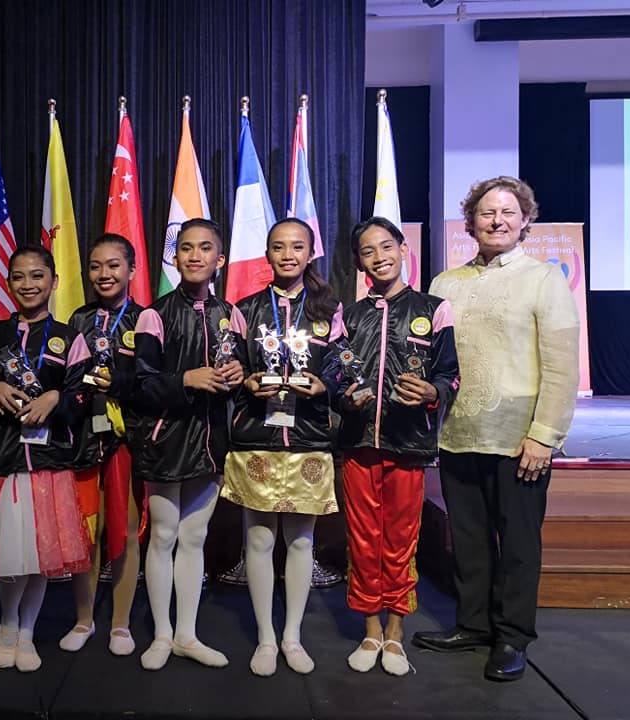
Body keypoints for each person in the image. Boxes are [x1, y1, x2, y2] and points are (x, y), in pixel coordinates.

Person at [412, 177, 580, 681]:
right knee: (468, 538)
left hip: (519, 438)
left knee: (519, 542)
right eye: (487, 212)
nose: (497, 220)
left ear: (525, 220)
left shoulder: (542, 279)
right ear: (471, 221)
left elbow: (562, 366)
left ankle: (512, 637)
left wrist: (544, 435)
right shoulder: (445, 284)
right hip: (459, 432)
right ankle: (473, 623)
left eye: (508, 212)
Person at [0, 245, 93, 672]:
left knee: (38, 557)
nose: (28, 284)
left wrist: (56, 396)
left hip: (49, 460)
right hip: (2, 459)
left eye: (37, 276)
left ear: (54, 282)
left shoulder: (70, 338)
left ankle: (29, 630)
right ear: (8, 283)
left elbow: (84, 393)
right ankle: (8, 625)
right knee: (10, 554)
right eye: (19, 276)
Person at [223, 218, 344, 677]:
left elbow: (341, 366)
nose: (288, 254)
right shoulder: (245, 309)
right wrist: (246, 381)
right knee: (257, 537)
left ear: (311, 252)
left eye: (297, 246)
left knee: (301, 541)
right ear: (268, 254)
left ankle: (292, 635)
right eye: (279, 247)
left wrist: (325, 384)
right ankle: (265, 638)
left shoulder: (329, 310)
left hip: (309, 437)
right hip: (258, 436)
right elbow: (229, 367)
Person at [339, 217, 460, 676]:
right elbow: (336, 374)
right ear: (358, 262)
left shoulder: (435, 308)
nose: (379, 257)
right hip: (357, 445)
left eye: (386, 246)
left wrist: (433, 392)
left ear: (403, 248)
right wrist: (343, 394)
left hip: (409, 444)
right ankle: (369, 628)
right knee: (364, 540)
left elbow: (450, 374)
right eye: (368, 251)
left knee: (399, 540)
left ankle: (395, 632)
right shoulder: (348, 316)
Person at [131, 218, 245, 671]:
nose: (194, 255)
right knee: (162, 536)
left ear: (220, 259)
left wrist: (236, 377)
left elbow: (236, 374)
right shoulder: (153, 314)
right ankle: (160, 634)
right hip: (165, 442)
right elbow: (139, 384)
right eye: (185, 248)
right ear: (174, 258)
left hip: (212, 444)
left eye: (205, 248)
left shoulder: (230, 313)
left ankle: (187, 634)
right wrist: (185, 380)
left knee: (194, 539)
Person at [61, 234, 146, 656]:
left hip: (126, 440)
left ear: (132, 270)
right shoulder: (76, 321)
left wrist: (124, 385)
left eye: (114, 265)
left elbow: (152, 384)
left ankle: (121, 624)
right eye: (96, 266)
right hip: (81, 437)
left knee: (126, 531)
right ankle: (83, 619)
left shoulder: (146, 319)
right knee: (85, 533)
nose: (104, 274)